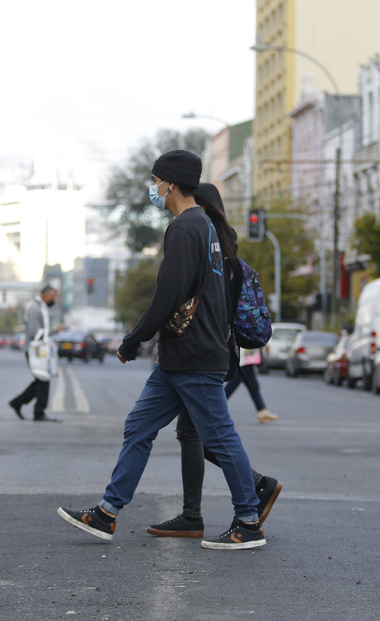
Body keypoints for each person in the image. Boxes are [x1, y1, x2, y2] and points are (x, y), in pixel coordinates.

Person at [58, 150, 265, 550]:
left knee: (220, 436)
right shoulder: (203, 226)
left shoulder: (187, 228)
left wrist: (133, 339)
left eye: (155, 181)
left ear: (170, 184)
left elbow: (167, 294)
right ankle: (106, 513)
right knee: (139, 426)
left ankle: (249, 521)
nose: (152, 188)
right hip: (180, 357)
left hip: (194, 356)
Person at [144, 182, 282, 540]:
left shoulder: (214, 253)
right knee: (193, 433)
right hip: (209, 353)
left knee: (210, 435)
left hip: (203, 355)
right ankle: (201, 512)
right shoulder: (222, 250)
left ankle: (247, 496)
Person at [8, 286, 60, 422]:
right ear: (45, 295)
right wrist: (53, 331)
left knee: (41, 379)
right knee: (43, 379)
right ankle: (38, 411)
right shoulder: (34, 308)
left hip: (41, 349)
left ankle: (20, 403)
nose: (53, 300)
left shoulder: (41, 307)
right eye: (53, 297)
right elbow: (33, 332)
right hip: (35, 350)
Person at [225, 348, 279, 424]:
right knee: (232, 386)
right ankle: (213, 406)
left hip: (248, 358)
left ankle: (262, 410)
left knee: (253, 386)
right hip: (243, 358)